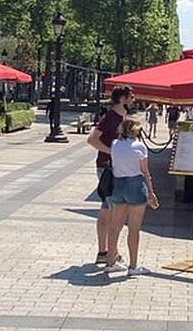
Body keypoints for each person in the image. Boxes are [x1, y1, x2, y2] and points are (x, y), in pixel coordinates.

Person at [104, 118, 160, 274]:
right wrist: (151, 192)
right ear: (135, 130)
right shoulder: (139, 146)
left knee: (115, 226)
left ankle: (110, 262)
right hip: (135, 185)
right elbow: (145, 171)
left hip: (118, 184)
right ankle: (133, 266)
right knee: (134, 229)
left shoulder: (115, 144)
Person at [85, 86, 133, 265]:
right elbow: (91, 139)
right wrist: (112, 152)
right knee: (114, 211)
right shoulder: (110, 118)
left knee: (107, 209)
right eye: (131, 96)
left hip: (115, 167)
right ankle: (112, 253)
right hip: (108, 168)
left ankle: (103, 251)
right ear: (122, 99)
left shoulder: (123, 118)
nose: (134, 99)